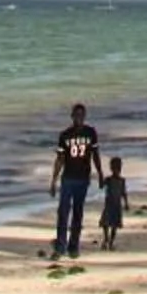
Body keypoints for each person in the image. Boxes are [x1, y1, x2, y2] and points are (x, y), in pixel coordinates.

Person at [49, 102, 103, 258]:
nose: (79, 118)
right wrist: (54, 180)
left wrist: (100, 173)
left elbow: (95, 155)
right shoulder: (65, 135)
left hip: (83, 178)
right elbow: (60, 159)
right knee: (63, 213)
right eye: (76, 115)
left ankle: (73, 247)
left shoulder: (91, 133)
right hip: (68, 178)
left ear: (84, 116)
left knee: (78, 213)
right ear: (72, 116)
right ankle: (61, 246)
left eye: (81, 115)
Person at [98, 155, 130, 251]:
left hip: (117, 205)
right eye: (114, 168)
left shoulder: (122, 180)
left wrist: (126, 203)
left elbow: (124, 192)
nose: (116, 170)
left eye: (118, 168)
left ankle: (111, 242)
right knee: (105, 223)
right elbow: (101, 186)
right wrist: (100, 175)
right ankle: (106, 239)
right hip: (109, 204)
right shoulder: (108, 179)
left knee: (114, 225)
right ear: (111, 168)